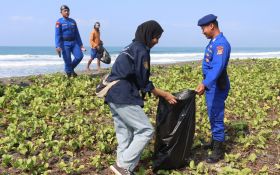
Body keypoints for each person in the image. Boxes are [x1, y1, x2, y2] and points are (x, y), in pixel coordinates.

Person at [105, 20, 177, 175]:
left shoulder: (129, 47)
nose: (156, 41)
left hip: (111, 94)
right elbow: (143, 81)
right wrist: (164, 94)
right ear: (148, 35)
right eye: (156, 37)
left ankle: (120, 166)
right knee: (145, 130)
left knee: (125, 132)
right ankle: (123, 167)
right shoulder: (141, 50)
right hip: (123, 94)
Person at [195, 14, 231, 163]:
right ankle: (215, 141)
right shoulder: (213, 42)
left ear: (211, 26)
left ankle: (218, 150)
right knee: (212, 114)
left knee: (216, 116)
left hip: (216, 85)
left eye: (203, 28)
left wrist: (205, 83)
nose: (202, 31)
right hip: (211, 85)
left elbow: (217, 67)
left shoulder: (221, 44)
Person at [55, 5, 86, 77]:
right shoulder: (58, 22)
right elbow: (57, 35)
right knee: (67, 60)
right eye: (65, 11)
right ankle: (70, 73)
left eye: (68, 11)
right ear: (61, 12)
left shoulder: (73, 21)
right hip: (64, 44)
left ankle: (69, 70)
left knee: (79, 56)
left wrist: (81, 45)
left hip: (74, 43)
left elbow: (77, 34)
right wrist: (57, 46)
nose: (67, 12)